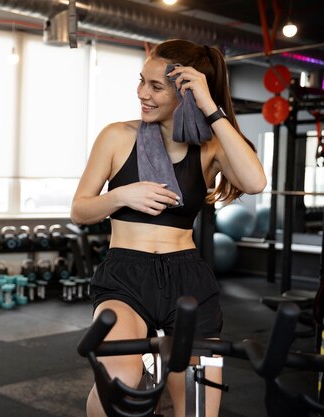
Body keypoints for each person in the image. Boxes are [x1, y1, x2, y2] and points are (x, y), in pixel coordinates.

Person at [71, 39, 266, 417]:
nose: (142, 93)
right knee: (120, 396)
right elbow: (80, 210)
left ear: (187, 92)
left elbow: (255, 182)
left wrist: (210, 107)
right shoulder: (117, 135)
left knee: (196, 410)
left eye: (156, 86)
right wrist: (123, 196)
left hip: (188, 278)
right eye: (141, 81)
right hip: (126, 276)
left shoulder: (209, 147)